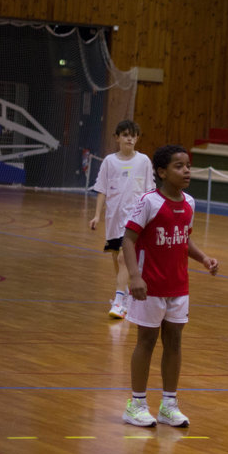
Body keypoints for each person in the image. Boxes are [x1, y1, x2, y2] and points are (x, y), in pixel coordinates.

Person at [121, 145, 219, 428]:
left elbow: (183, 237)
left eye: (188, 165)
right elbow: (128, 239)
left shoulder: (189, 202)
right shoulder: (149, 202)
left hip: (178, 286)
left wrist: (203, 258)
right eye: (179, 166)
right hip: (149, 287)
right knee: (146, 341)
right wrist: (134, 276)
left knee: (174, 342)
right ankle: (136, 404)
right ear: (162, 172)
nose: (186, 170)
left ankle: (169, 405)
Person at [88, 120, 155, 319]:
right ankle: (125, 296)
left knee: (123, 258)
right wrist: (97, 215)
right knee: (117, 260)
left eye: (133, 136)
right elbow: (102, 189)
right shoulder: (109, 161)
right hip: (113, 218)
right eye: (125, 135)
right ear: (117, 138)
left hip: (135, 219)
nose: (130, 139)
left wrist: (151, 217)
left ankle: (118, 301)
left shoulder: (143, 161)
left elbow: (150, 191)